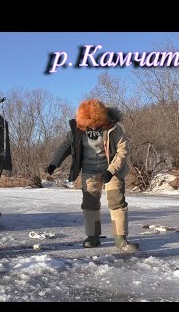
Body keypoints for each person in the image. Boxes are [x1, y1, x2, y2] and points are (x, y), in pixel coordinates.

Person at [46, 99, 139, 253]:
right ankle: (93, 236)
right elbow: (65, 146)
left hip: (112, 169)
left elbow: (123, 151)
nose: (93, 126)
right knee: (89, 203)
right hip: (89, 171)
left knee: (117, 201)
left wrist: (111, 170)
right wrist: (54, 163)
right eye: (89, 124)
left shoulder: (114, 128)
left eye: (96, 122)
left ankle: (120, 239)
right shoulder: (77, 130)